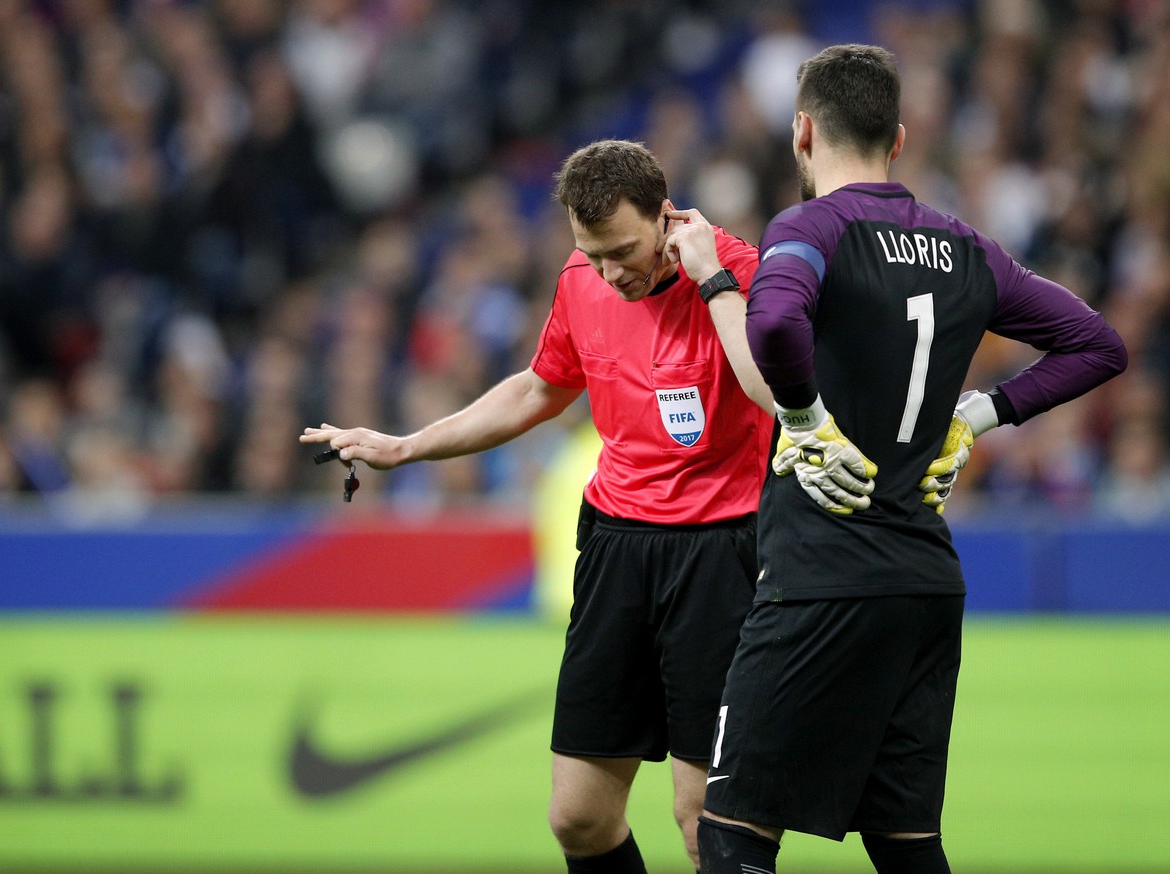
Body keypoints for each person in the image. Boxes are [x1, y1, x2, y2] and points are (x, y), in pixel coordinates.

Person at [696, 44, 1128, 874]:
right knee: (907, 848)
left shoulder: (811, 226)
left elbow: (776, 324)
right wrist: (982, 413)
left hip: (820, 578)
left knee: (733, 835)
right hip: (924, 584)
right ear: (897, 140)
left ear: (801, 131)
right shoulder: (969, 248)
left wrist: (805, 416)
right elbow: (1096, 343)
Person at [302, 139, 775, 874]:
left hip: (721, 555)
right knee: (579, 818)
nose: (609, 271)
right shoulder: (582, 278)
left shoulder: (735, 273)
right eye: (592, 253)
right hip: (617, 550)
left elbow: (774, 393)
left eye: (622, 249)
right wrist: (405, 446)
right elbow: (538, 388)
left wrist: (712, 279)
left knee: (703, 824)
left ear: (665, 215)